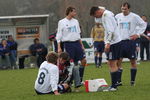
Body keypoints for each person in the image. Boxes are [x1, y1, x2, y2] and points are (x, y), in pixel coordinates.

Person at [90, 6, 122, 91]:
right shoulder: (107, 12)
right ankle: (115, 84)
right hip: (115, 41)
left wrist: (107, 43)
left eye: (95, 15)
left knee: (112, 63)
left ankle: (114, 86)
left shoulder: (106, 15)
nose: (96, 18)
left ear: (98, 12)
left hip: (113, 42)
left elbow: (110, 31)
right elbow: (97, 19)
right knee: (111, 63)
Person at [115, 2, 146, 86]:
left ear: (129, 8)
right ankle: (119, 81)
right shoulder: (117, 16)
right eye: (122, 9)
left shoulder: (134, 16)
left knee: (133, 61)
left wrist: (138, 34)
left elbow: (143, 24)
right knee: (118, 61)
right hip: (120, 42)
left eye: (125, 9)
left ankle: (132, 81)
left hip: (130, 42)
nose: (123, 10)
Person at [56, 6, 86, 91]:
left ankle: (80, 79)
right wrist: (59, 47)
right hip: (68, 44)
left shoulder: (76, 21)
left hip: (77, 43)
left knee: (84, 61)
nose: (75, 13)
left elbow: (78, 34)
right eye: (74, 11)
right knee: (72, 64)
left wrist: (82, 45)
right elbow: (59, 35)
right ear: (69, 12)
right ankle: (72, 83)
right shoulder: (61, 22)